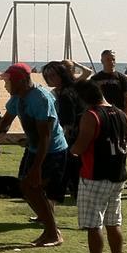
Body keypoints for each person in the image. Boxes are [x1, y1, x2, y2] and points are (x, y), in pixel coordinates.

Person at [0, 63, 69, 247]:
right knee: (27, 188)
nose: (6, 85)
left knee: (34, 187)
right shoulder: (17, 98)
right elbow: (5, 123)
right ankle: (51, 231)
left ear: (20, 80)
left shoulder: (41, 98)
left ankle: (53, 233)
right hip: (35, 149)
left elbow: (45, 137)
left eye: (8, 81)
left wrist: (36, 168)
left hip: (52, 151)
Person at [68, 81, 127, 253]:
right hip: (117, 174)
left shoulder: (91, 115)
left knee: (94, 224)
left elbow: (81, 146)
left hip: (95, 174)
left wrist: (70, 151)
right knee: (113, 222)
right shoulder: (120, 113)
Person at [41, 61, 88, 199]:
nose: (49, 79)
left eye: (53, 75)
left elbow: (68, 124)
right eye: (47, 76)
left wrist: (60, 143)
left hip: (72, 138)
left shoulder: (66, 94)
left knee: (65, 174)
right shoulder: (65, 91)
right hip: (75, 136)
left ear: (61, 75)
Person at [90, 49, 127, 116]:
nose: (111, 62)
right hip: (101, 115)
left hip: (117, 114)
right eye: (108, 59)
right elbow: (91, 99)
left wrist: (125, 116)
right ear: (102, 61)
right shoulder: (95, 79)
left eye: (113, 59)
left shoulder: (122, 78)